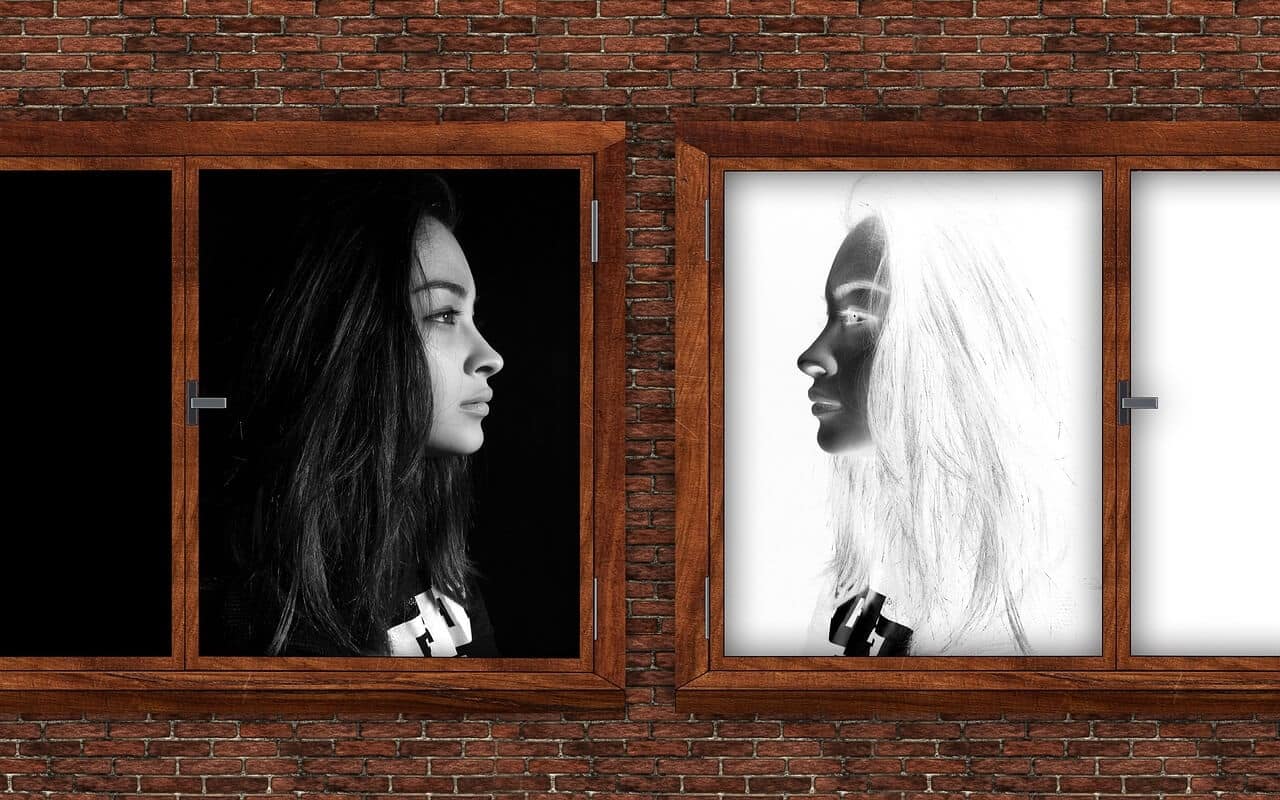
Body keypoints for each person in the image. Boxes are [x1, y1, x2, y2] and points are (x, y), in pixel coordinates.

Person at [206, 173, 504, 657]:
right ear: (348, 335)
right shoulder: (264, 608)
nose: (491, 356)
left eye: (472, 317)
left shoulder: (433, 550)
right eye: (444, 314)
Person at [796, 176, 1080, 656]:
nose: (811, 356)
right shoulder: (851, 584)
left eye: (856, 316)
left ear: (948, 335)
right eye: (830, 316)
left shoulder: (1055, 604)